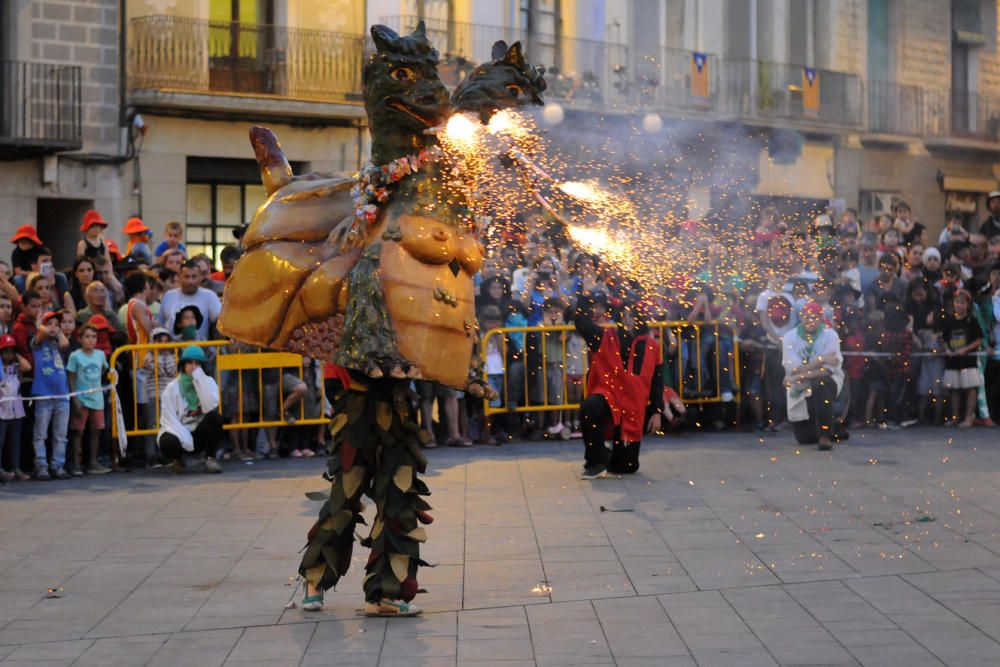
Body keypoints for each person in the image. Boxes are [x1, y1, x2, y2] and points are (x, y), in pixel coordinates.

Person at [574, 298, 663, 478]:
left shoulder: (652, 346)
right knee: (590, 408)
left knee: (626, 467)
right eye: (624, 315)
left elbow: (657, 381)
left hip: (633, 407)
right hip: (609, 395)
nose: (628, 319)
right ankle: (595, 461)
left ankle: (607, 456)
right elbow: (582, 324)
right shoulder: (607, 336)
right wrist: (585, 296)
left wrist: (656, 410)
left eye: (632, 316)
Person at [781, 301, 844, 451]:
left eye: (814, 317)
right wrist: (821, 360)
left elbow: (828, 370)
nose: (810, 321)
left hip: (827, 380)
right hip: (801, 384)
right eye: (807, 317)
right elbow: (794, 369)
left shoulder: (830, 335)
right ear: (801, 317)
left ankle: (825, 435)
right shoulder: (790, 337)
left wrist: (797, 376)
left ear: (821, 318)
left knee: (821, 383)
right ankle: (835, 430)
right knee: (805, 439)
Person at [157, 345, 223, 474]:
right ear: (183, 364)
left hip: (199, 432)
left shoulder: (208, 382)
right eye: (190, 363)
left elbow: (210, 405)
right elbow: (169, 421)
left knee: (215, 417)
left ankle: (210, 459)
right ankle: (178, 460)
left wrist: (200, 382)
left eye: (197, 363)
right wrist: (186, 440)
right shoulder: (171, 388)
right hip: (179, 432)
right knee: (166, 440)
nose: (193, 367)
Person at [66, 323, 111, 476]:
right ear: (80, 338)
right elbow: (71, 378)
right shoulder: (75, 356)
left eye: (94, 337)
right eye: (87, 337)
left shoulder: (100, 355)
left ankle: (92, 462)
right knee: (78, 431)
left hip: (97, 398)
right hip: (81, 398)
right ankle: (76, 463)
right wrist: (75, 399)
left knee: (96, 430)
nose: (91, 340)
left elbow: (104, 369)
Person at [30, 310, 71, 480]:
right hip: (44, 394)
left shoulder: (57, 343)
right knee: (41, 434)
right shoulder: (37, 342)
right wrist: (41, 325)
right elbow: (40, 336)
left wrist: (58, 331)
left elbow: (64, 344)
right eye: (50, 323)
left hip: (62, 394)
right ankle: (41, 465)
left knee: (60, 435)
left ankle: (57, 465)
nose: (53, 327)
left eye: (57, 324)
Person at [936, 289, 984, 428]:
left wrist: (966, 349)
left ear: (967, 305)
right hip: (953, 360)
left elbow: (979, 340)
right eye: (957, 302)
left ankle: (969, 417)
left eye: (962, 303)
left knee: (970, 388)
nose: (959, 305)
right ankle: (955, 417)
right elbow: (944, 338)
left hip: (967, 360)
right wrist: (947, 350)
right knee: (954, 389)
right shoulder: (950, 320)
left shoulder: (972, 321)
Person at [158, 260, 222, 341]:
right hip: (173, 351)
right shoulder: (168, 296)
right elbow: (161, 324)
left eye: (194, 276)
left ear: (200, 277)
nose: (190, 281)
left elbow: (220, 322)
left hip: (201, 350)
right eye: (186, 276)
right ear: (179, 277)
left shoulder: (209, 296)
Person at [0, 334, 30, 482]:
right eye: (5, 351)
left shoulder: (16, 366)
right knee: (1, 439)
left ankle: (15, 467)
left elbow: (27, 366)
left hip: (16, 404)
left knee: (15, 439)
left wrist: (17, 355)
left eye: (11, 351)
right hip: (2, 404)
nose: (8, 354)